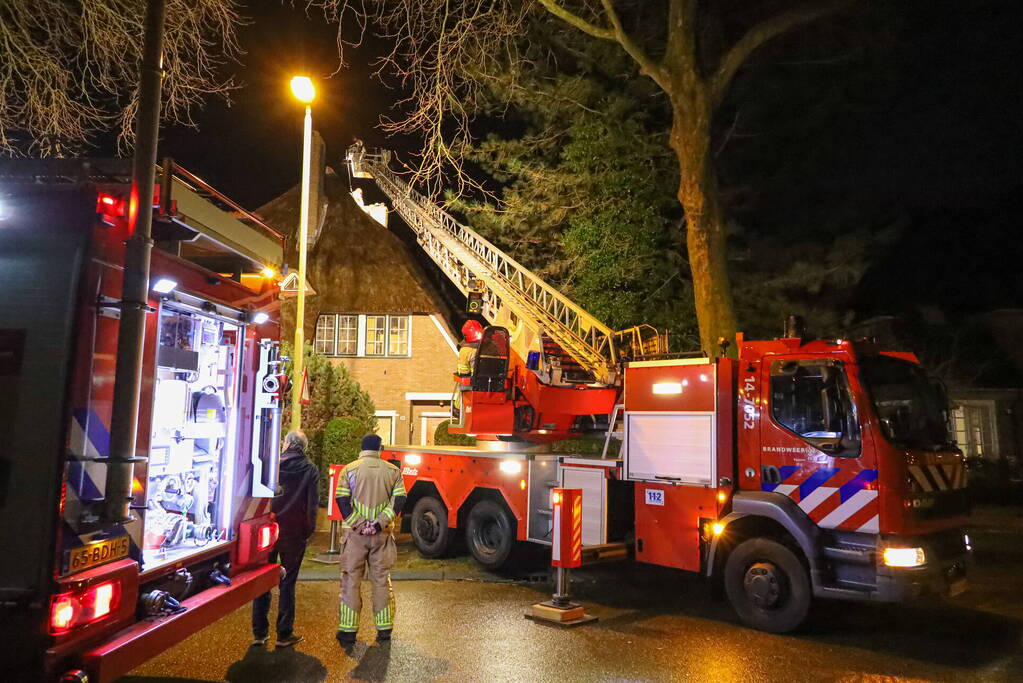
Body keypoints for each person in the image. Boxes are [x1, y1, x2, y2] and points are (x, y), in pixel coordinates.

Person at [335, 434, 407, 646]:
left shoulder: (349, 470)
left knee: (351, 581)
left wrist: (359, 524)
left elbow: (342, 500)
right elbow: (399, 500)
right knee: (382, 581)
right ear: (380, 448)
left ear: (361, 447)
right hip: (382, 536)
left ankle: (348, 632)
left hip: (354, 537)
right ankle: (384, 630)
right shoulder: (393, 471)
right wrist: (378, 524)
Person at [251, 430, 319, 649]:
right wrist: (307, 531)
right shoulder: (310, 469)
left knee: (262, 580)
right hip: (293, 532)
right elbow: (311, 504)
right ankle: (283, 633)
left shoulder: (271, 466)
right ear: (303, 447)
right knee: (287, 582)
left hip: (266, 530)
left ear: (288, 443)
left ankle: (260, 633)